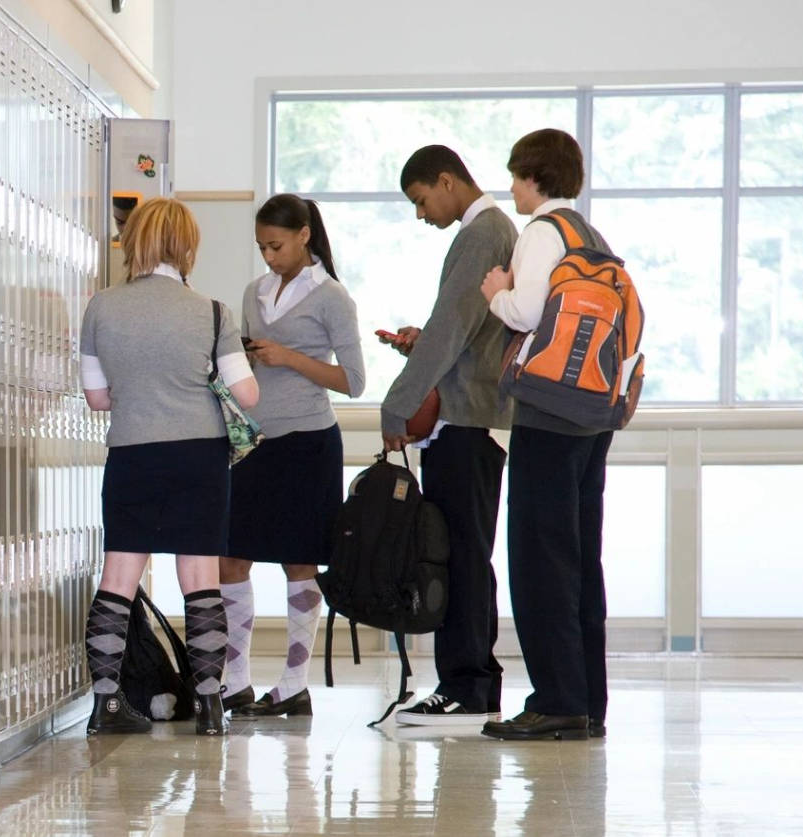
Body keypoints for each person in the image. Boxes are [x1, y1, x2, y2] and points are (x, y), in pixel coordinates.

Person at [79, 197, 259, 736]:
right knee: (200, 578)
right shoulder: (211, 311)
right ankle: (208, 706)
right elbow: (246, 394)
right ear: (186, 247)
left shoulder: (101, 307)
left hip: (133, 453)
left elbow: (97, 399)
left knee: (118, 579)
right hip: (199, 456)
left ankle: (107, 704)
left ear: (135, 241)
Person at [479, 128, 614, 741]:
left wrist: (495, 294)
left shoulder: (543, 232)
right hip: (593, 409)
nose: (511, 189)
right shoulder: (591, 236)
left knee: (539, 558)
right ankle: (586, 701)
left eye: (514, 176)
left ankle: (555, 700)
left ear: (534, 176)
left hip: (547, 409)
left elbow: (529, 312)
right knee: (581, 556)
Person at [379, 145, 517, 726]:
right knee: (464, 554)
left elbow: (456, 326)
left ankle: (465, 685)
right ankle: (470, 684)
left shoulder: (483, 230)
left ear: (446, 181)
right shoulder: (490, 230)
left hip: (468, 422)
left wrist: (397, 405)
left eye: (420, 200)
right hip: (469, 416)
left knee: (460, 556)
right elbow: (465, 327)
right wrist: (423, 340)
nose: (420, 215)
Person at [220, 193, 366, 717]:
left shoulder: (332, 297)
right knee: (231, 557)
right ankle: (234, 678)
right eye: (261, 247)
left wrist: (288, 358)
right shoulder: (253, 292)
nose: (269, 256)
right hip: (256, 442)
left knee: (298, 561)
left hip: (308, 442)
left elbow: (353, 380)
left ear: (304, 235)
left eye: (276, 245)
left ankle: (293, 683)